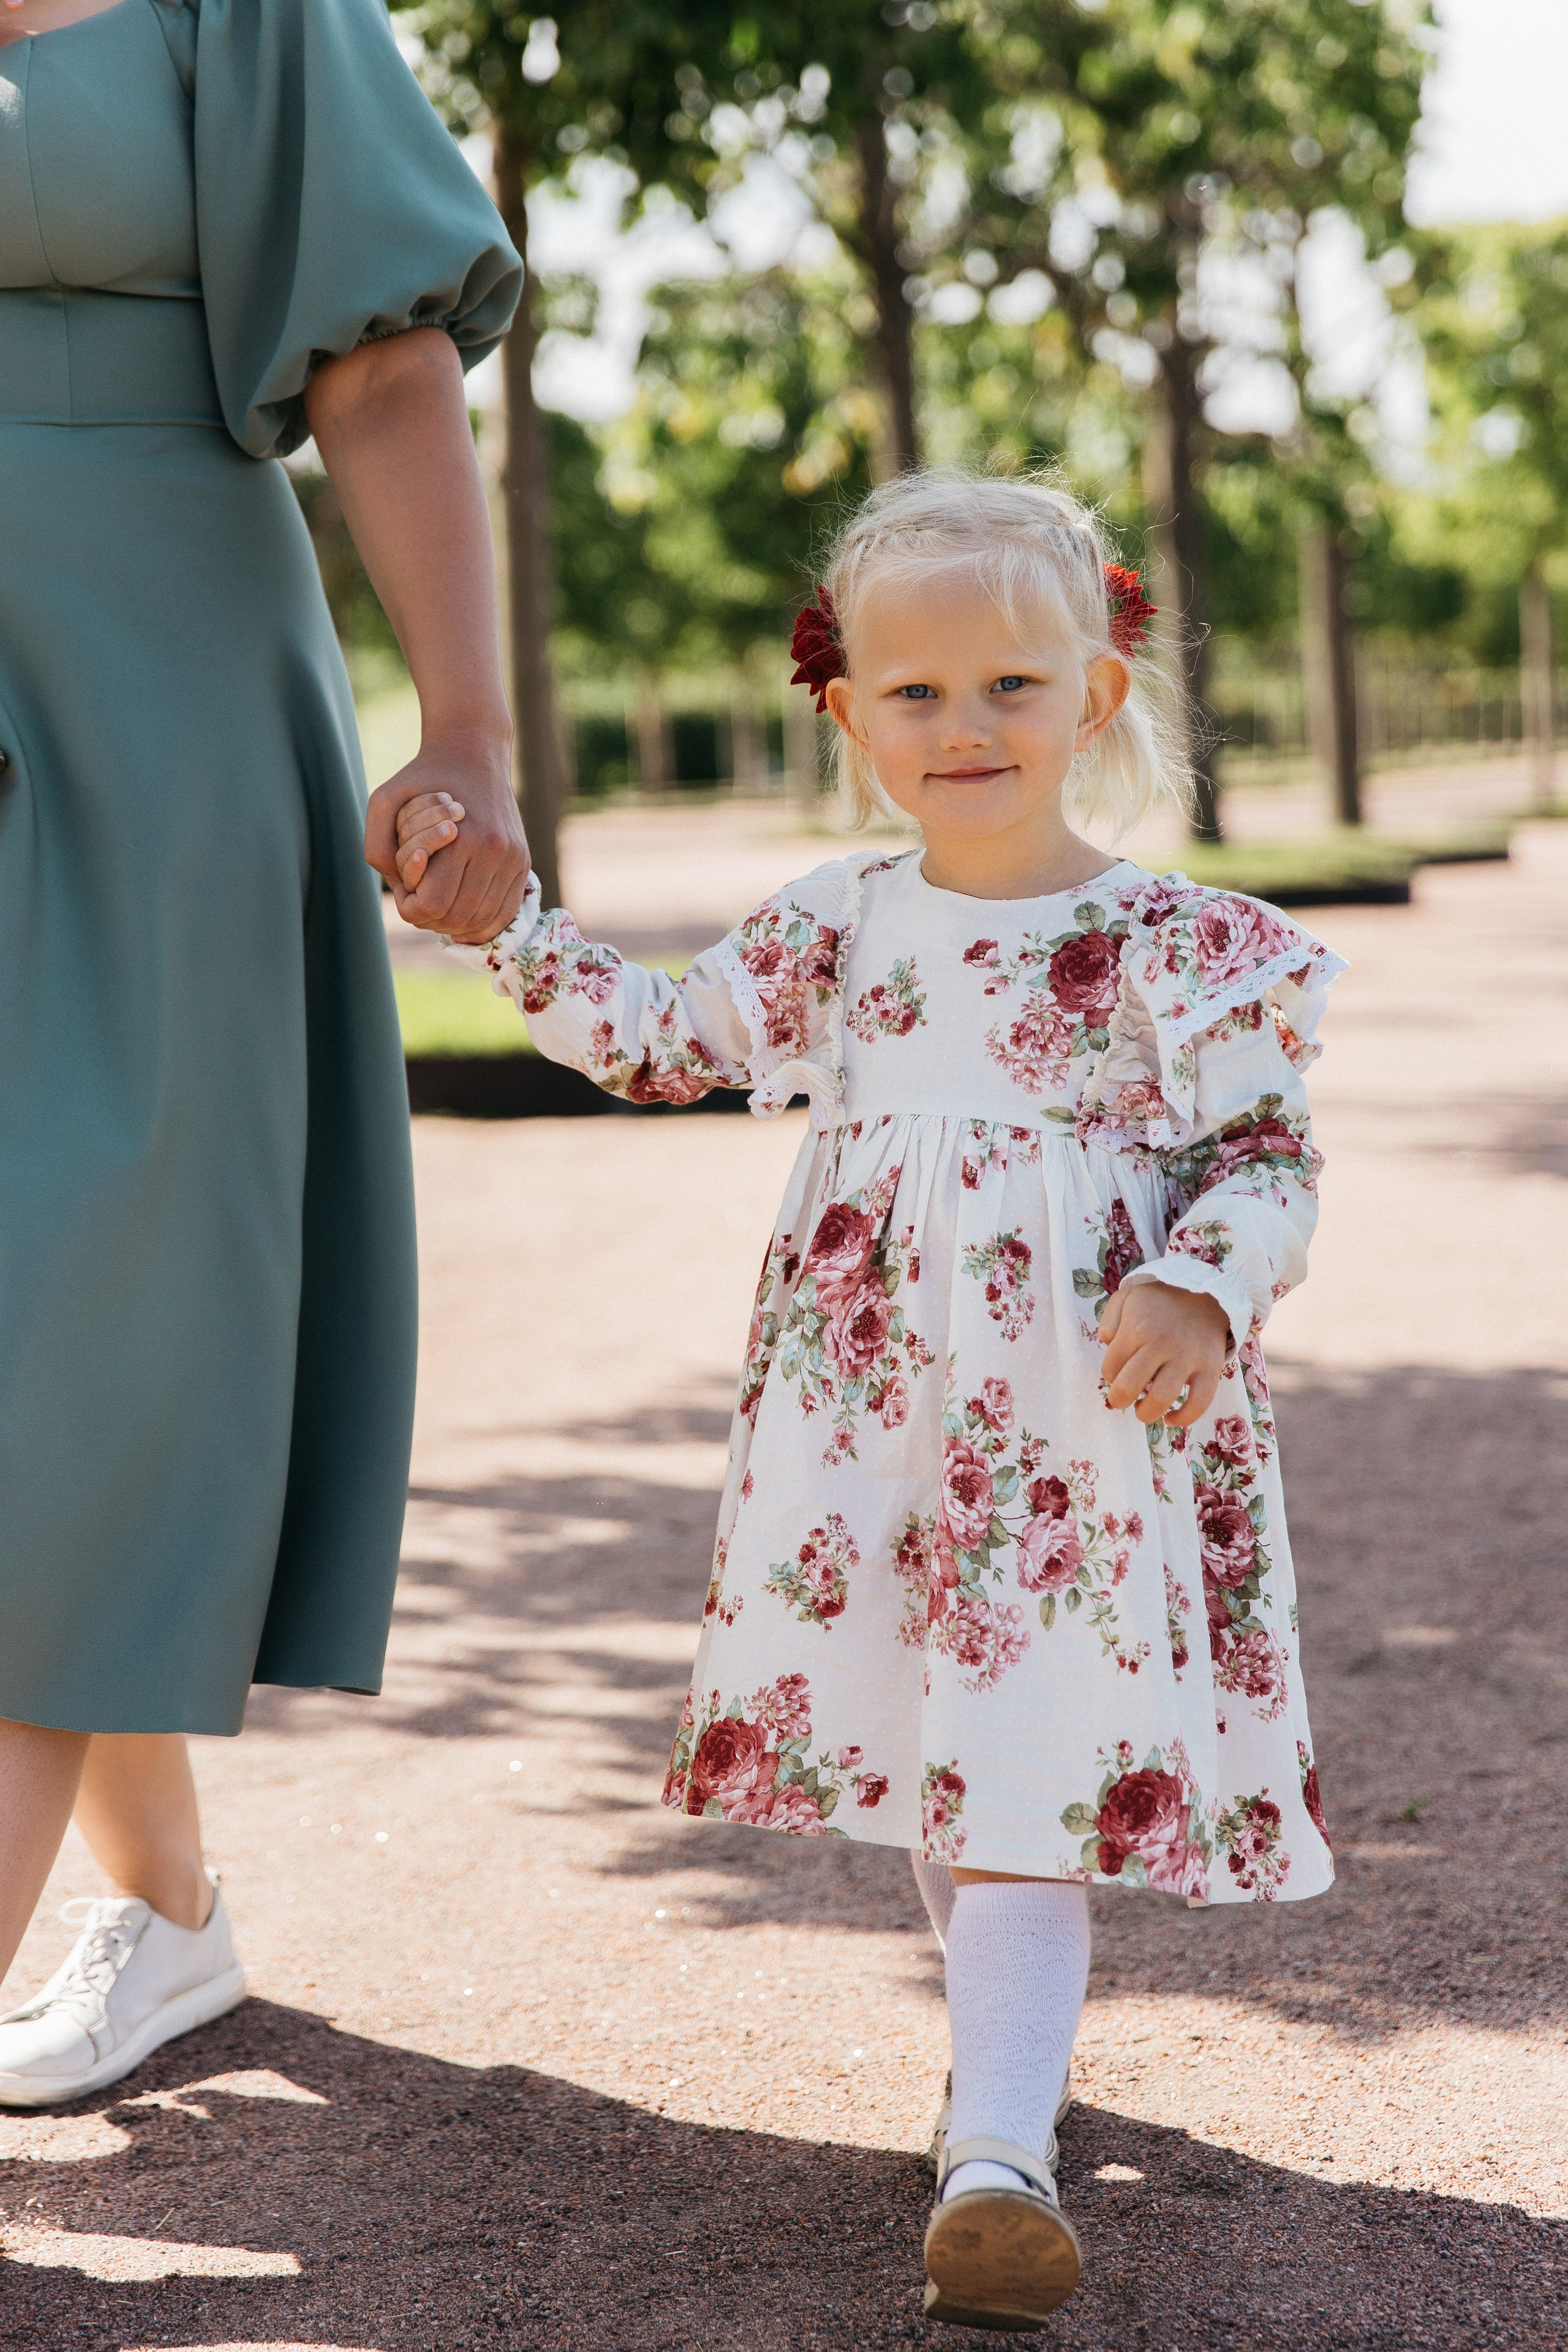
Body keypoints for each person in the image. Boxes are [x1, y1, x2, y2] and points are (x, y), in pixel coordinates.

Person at [399, 470, 1342, 2329]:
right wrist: (510, 931)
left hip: (1082, 1421)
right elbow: (667, 1042)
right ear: (847, 712)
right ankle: (999, 2085)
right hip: (880, 1421)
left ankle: (1001, 2146)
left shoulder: (1178, 942)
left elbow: (1271, 1157)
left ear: (1094, 689)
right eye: (915, 693)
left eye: (1011, 683)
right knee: (948, 1730)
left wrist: (1202, 1280)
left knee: (1027, 1750)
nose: (964, 724)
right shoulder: (836, 924)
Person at [0, 0, 529, 2108]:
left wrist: (473, 739)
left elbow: (386, 373)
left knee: (96, 1310)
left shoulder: (257, 10)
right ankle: (177, 1922)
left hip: (165, 702)